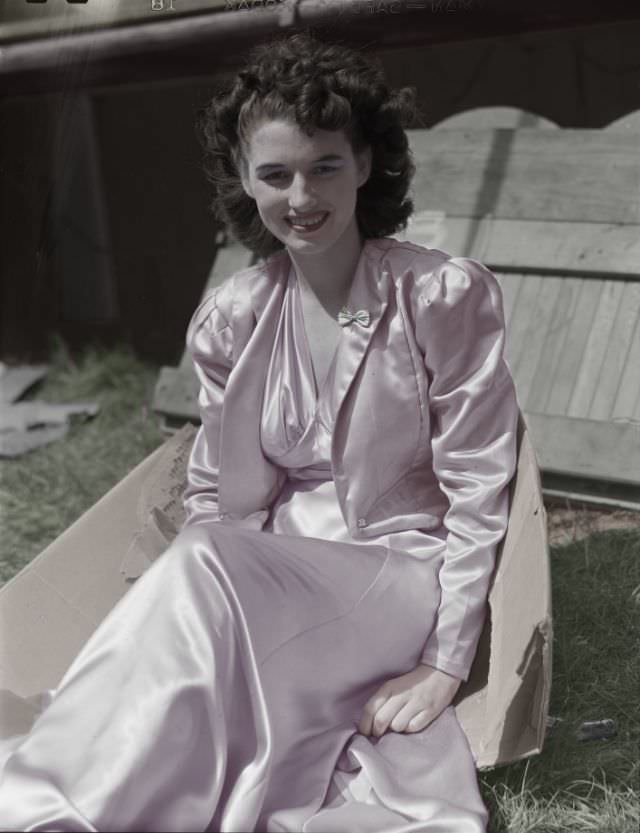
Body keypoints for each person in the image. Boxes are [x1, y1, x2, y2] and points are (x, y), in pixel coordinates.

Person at [0, 32, 519, 832]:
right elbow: (217, 495)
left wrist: (444, 664)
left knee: (205, 556)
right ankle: (83, 781)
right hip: (266, 578)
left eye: (324, 167)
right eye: (274, 174)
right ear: (244, 181)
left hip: (395, 574)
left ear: (366, 164)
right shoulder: (234, 317)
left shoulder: (440, 295)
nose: (300, 196)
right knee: (203, 553)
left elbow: (481, 484)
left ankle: (47, 807)